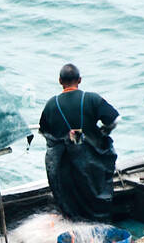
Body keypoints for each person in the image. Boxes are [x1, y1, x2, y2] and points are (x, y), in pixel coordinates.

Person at [38, 62, 119, 220]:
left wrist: (66, 141)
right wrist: (102, 132)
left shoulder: (50, 104)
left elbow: (44, 132)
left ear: (60, 81)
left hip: (65, 166)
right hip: (91, 163)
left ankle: (75, 222)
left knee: (71, 197)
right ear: (80, 80)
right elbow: (114, 120)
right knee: (93, 191)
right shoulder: (92, 98)